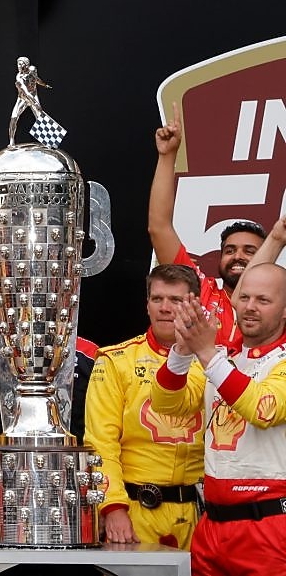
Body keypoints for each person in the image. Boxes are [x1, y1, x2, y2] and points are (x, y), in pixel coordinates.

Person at [151, 262, 286, 575]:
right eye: (245, 297)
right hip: (211, 525)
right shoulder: (225, 359)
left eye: (263, 301)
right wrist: (182, 354)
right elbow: (168, 405)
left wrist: (207, 354)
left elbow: (264, 409)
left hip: (269, 527)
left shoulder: (222, 361)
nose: (250, 307)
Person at [84, 264, 204, 548]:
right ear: (146, 305)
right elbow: (101, 442)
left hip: (200, 513)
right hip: (136, 509)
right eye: (157, 299)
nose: (165, 308)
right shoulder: (116, 361)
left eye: (176, 300)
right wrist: (113, 508)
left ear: (195, 305)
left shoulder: (215, 361)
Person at [149, 104, 264, 350]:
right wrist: (168, 156)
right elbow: (159, 227)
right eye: (230, 250)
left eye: (249, 251)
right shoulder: (201, 291)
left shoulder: (278, 308)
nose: (237, 256)